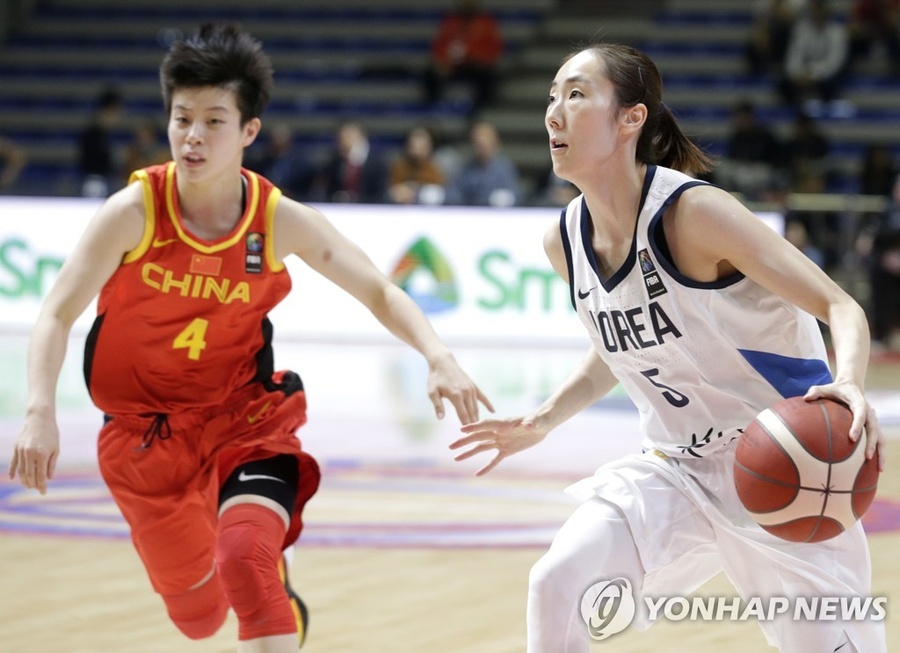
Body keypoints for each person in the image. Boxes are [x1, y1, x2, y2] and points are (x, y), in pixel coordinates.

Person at [8, 23, 492, 653]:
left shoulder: (276, 221)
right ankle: (250, 583)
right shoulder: (133, 213)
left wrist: (439, 355)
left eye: (214, 121)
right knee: (199, 619)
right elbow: (55, 313)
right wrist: (40, 410)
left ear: (249, 132)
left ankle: (269, 581)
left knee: (244, 559)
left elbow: (379, 288)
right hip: (143, 438)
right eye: (183, 119)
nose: (193, 136)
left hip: (245, 419)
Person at [450, 42, 886, 652]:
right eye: (551, 96)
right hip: (677, 469)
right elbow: (618, 345)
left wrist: (849, 384)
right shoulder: (564, 240)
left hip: (788, 467)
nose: (553, 112)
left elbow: (840, 305)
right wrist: (543, 419)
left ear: (631, 118)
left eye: (575, 94)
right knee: (559, 582)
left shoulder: (694, 215)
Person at [421, 0, 503, 112]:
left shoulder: (486, 23)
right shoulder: (450, 22)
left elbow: (494, 48)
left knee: (489, 78)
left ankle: (483, 110)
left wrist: (481, 60)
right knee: (430, 75)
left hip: (475, 66)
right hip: (453, 66)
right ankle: (432, 108)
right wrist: (442, 63)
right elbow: (439, 46)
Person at [778, 0, 849, 112]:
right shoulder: (801, 29)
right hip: (802, 74)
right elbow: (794, 55)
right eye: (816, 12)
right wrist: (797, 74)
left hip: (823, 75)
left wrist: (813, 74)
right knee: (783, 83)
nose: (818, 15)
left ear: (827, 13)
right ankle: (792, 110)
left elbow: (835, 61)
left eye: (821, 12)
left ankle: (825, 112)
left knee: (831, 85)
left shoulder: (837, 32)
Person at [445, 120, 520, 207]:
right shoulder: (465, 169)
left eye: (484, 145)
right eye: (478, 145)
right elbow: (454, 192)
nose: (481, 149)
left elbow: (515, 195)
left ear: (494, 144)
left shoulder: (504, 169)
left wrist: (506, 198)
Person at [317, 120, 389, 203]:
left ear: (362, 137)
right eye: (341, 138)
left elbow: (379, 193)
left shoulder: (376, 163)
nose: (344, 141)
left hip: (368, 208)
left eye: (349, 136)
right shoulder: (335, 162)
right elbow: (329, 189)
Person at [78, 87, 123, 197]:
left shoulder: (107, 135)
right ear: (109, 110)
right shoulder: (92, 134)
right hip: (94, 183)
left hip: (104, 181)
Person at [387, 125, 446, 205]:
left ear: (429, 147)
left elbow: (443, 194)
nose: (417, 148)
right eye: (413, 145)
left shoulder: (436, 170)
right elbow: (387, 193)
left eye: (421, 145)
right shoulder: (398, 168)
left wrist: (419, 192)